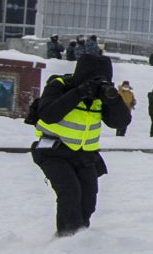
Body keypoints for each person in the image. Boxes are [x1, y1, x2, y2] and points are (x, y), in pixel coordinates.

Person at [28, 50, 129, 237]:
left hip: (84, 155)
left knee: (88, 200)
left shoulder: (101, 96)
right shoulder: (60, 85)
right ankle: (67, 238)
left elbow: (120, 122)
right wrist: (80, 92)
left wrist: (113, 100)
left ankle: (81, 237)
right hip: (53, 151)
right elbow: (48, 114)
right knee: (70, 192)